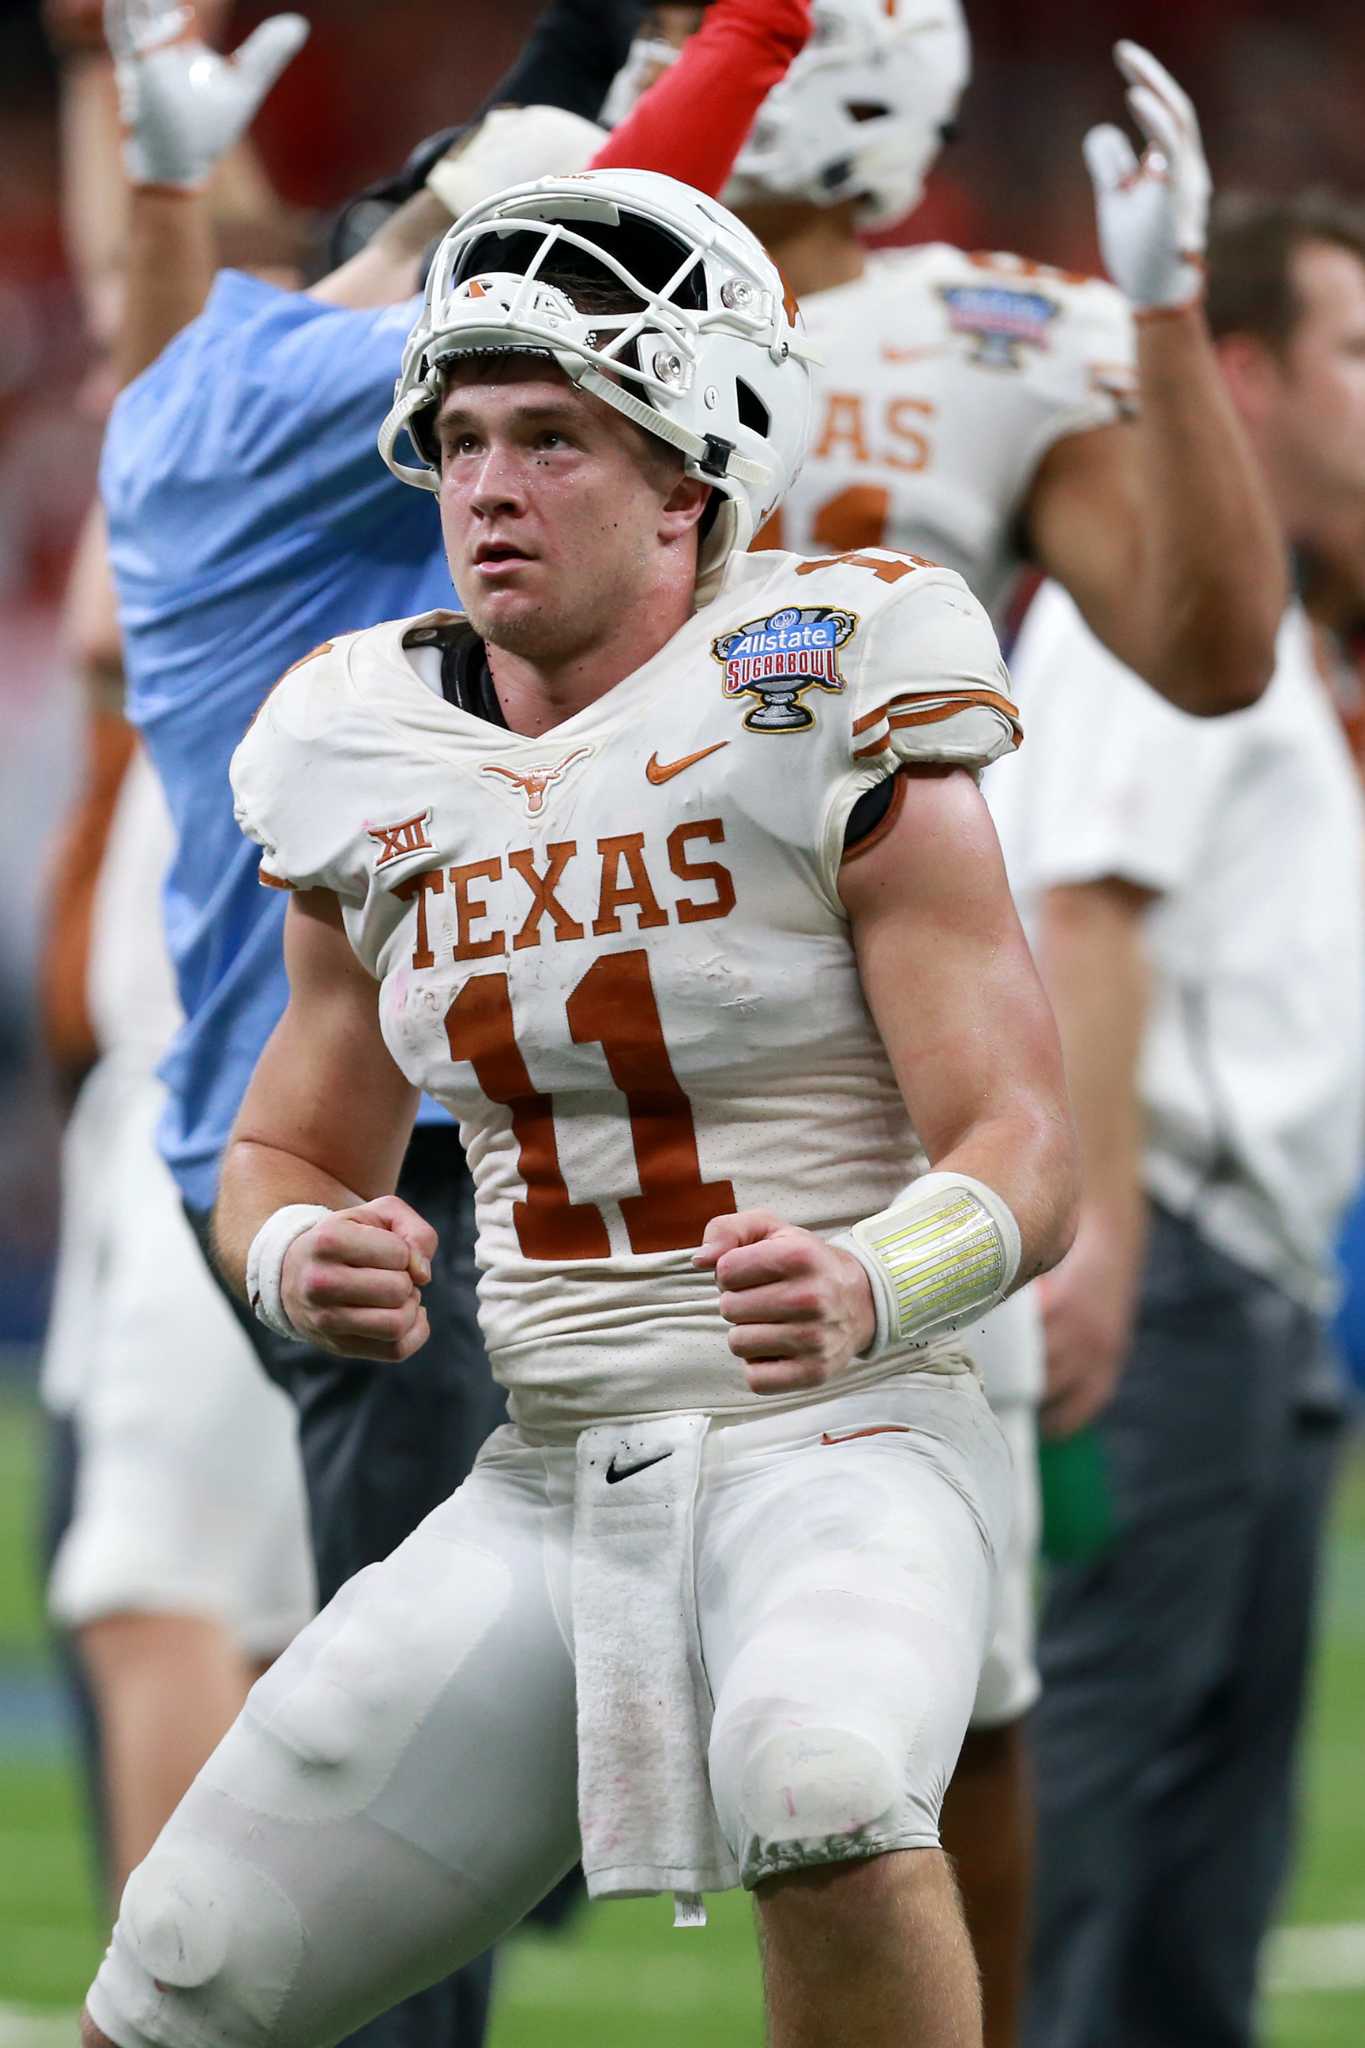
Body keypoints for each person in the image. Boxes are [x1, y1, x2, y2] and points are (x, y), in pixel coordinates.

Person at [83, 165, 1076, 2048]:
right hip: (550, 1471)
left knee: (822, 1781)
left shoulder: (824, 678)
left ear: (690, 472)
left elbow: (1028, 1146)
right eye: (458, 439)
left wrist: (876, 1278)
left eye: (550, 436)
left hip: (841, 1438)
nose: (485, 487)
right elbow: (283, 1148)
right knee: (187, 1970)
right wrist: (303, 1256)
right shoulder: (363, 745)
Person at [599, 12, 1288, 2038]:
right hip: (575, 1063)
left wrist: (1160, 325)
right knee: (496, 1682)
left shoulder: (979, 337)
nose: (669, 58)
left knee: (945, 1690)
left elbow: (1208, 649)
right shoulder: (560, 284)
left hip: (880, 1084)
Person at [985, 190, 1365, 2048]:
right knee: (1114, 1766)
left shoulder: (1271, 625)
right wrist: (1107, 1233)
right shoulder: (1170, 611)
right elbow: (1088, 909)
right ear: (1242, 375)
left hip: (1255, 1272)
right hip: (1179, 1262)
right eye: (1355, 356)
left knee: (1213, 1826)